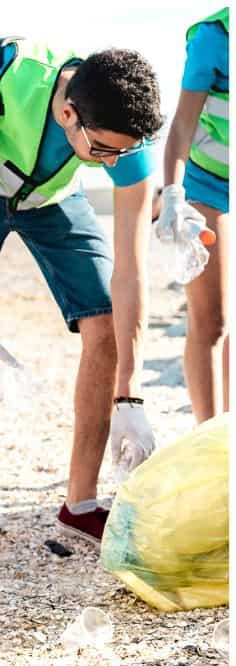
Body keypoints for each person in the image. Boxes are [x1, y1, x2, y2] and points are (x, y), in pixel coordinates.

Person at [0, 39, 163, 557]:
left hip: (52, 198)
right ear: (68, 113)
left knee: (105, 321)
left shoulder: (127, 140)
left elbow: (131, 272)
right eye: (105, 150)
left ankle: (81, 505)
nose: (114, 163)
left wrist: (129, 394)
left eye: (123, 152)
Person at [156, 7, 229, 423]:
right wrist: (173, 196)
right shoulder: (213, 38)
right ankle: (209, 440)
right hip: (206, 183)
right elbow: (181, 128)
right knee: (212, 320)